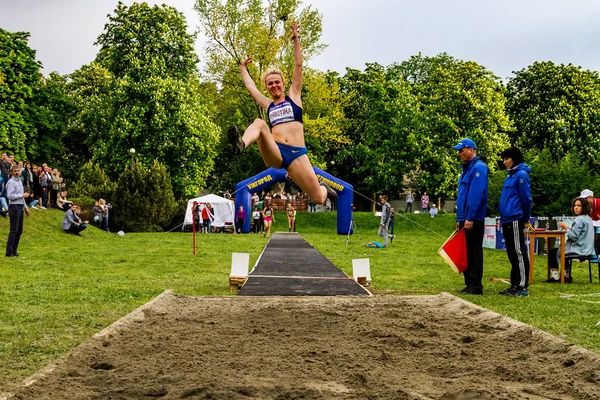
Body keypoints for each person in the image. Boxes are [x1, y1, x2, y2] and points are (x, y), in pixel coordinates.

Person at [229, 23, 337, 209]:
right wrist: (242, 69)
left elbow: (298, 64)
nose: (274, 86)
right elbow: (251, 88)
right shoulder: (268, 105)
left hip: (296, 155)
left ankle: (324, 189)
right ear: (267, 87)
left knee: (318, 198)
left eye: (276, 82)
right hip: (276, 151)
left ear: (283, 83)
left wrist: (296, 39)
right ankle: (241, 145)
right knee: (260, 123)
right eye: (270, 84)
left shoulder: (294, 96)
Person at [454, 138, 489, 295]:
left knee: (474, 252)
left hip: (473, 218)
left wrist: (470, 217)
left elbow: (476, 195)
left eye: (461, 150)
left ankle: (476, 285)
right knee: (466, 251)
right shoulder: (466, 169)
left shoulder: (478, 168)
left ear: (471, 150)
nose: (459, 153)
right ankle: (469, 282)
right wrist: (460, 219)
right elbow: (462, 196)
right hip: (465, 218)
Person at [498, 147, 532, 297]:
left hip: (516, 218)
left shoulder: (521, 175)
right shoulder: (509, 176)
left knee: (519, 252)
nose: (505, 162)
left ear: (515, 158)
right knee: (512, 253)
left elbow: (526, 199)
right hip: (506, 219)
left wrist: (525, 218)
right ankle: (514, 284)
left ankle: (523, 287)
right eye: (504, 159)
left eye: (507, 159)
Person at [547, 198, 594, 283]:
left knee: (552, 252)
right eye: (575, 205)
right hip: (588, 249)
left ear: (584, 207)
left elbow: (573, 236)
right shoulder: (588, 219)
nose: (576, 207)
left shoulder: (580, 219)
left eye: (579, 206)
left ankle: (556, 277)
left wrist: (565, 227)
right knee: (562, 249)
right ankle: (566, 275)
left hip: (579, 248)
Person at [5, 165, 30, 257]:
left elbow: (22, 196)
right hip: (14, 207)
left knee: (20, 230)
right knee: (13, 230)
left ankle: (14, 250)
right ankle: (9, 251)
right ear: (11, 172)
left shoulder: (19, 181)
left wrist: (26, 207)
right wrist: (21, 195)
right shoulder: (11, 182)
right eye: (15, 171)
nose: (17, 172)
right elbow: (10, 196)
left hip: (20, 206)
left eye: (18, 171)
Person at [579, 189, 600, 260]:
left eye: (585, 198)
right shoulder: (587, 207)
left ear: (592, 198)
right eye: (582, 199)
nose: (584, 201)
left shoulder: (599, 203)